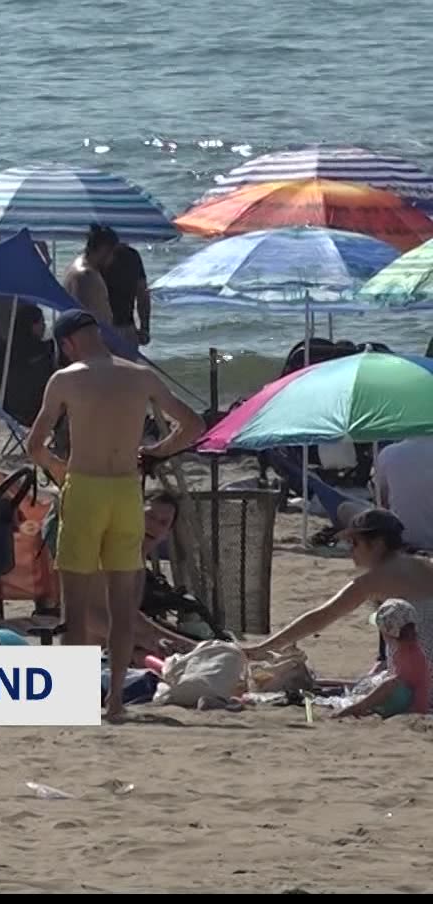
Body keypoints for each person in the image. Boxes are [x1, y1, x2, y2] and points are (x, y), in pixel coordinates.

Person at [25, 309, 205, 721]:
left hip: (85, 489)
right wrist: (155, 452)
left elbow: (35, 444)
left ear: (67, 344)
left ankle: (74, 699)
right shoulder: (140, 376)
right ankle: (116, 702)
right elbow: (192, 425)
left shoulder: (66, 379)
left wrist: (58, 469)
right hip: (126, 490)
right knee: (122, 607)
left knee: (75, 608)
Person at [247, 509, 433, 666]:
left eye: (355, 543)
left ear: (378, 544)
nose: (350, 550)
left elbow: (320, 617)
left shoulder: (374, 581)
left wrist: (263, 648)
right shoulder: (424, 564)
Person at [60, 224, 120, 338]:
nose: (113, 258)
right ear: (104, 249)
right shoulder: (87, 276)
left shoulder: (74, 267)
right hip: (87, 341)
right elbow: (92, 318)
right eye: (113, 253)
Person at [373, 437, 433, 550]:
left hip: (402, 541)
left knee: (346, 508)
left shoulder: (388, 453)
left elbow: (381, 501)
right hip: (410, 542)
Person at [105, 241, 151, 349]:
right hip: (125, 327)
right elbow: (142, 294)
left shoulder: (93, 258)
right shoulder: (132, 255)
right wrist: (145, 329)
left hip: (99, 328)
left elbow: (142, 293)